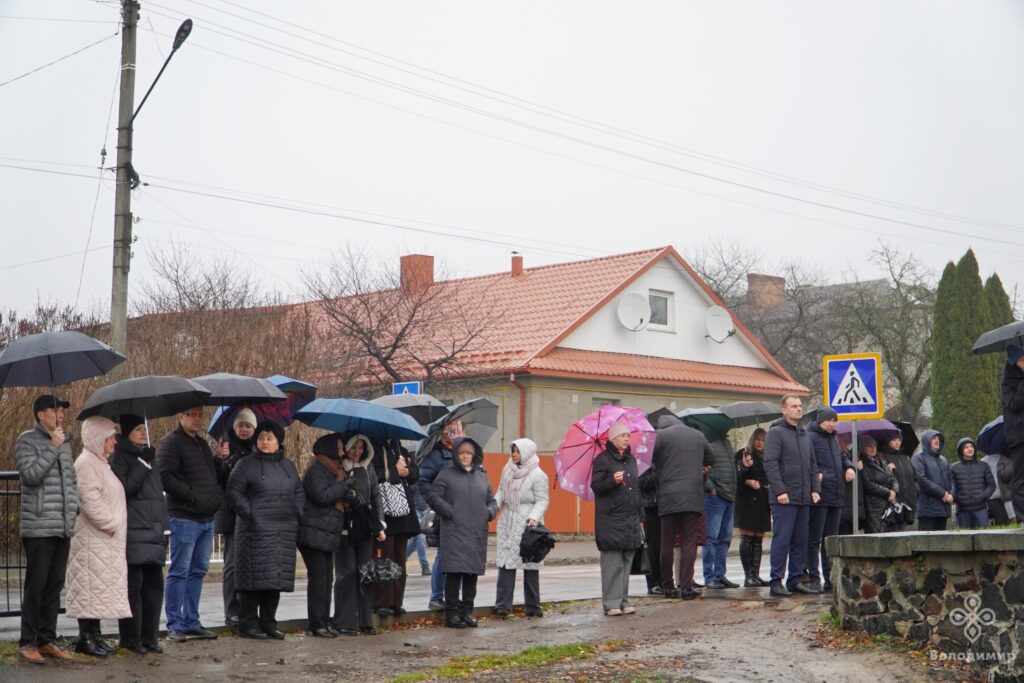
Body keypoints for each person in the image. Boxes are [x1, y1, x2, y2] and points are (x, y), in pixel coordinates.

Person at [14, 394, 79, 664]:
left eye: (62, 410)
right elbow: (30, 475)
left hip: (62, 525)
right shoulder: (26, 440)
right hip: (39, 525)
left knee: (54, 586)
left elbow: (71, 481)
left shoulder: (64, 442)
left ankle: (47, 639)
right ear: (41, 414)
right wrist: (52, 447)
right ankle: (27, 642)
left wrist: (75, 508)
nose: (60, 414)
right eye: (55, 410)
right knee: (36, 587)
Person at [226, 420, 304, 639]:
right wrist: (249, 513)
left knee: (274, 581)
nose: (264, 442)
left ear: (278, 441)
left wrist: (297, 511)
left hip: (282, 531)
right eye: (261, 438)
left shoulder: (288, 466)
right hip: (254, 530)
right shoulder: (245, 464)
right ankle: (248, 624)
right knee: (253, 580)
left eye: (269, 438)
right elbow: (233, 493)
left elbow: (298, 491)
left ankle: (269, 622)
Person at [66, 416, 132, 657]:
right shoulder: (86, 464)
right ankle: (86, 637)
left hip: (102, 539)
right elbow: (89, 500)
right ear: (98, 439)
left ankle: (95, 635)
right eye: (110, 437)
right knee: (89, 586)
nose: (115, 441)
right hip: (94, 537)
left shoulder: (99, 462)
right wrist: (112, 523)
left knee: (95, 588)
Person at [157, 406, 222, 642]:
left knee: (197, 571)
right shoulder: (171, 443)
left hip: (205, 518)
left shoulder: (202, 444)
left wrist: (221, 461)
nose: (196, 419)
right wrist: (192, 495)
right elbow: (165, 476)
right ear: (180, 416)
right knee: (180, 571)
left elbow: (212, 476)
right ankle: (175, 623)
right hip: (184, 516)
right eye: (191, 414)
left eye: (199, 414)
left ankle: (192, 620)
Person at [109, 414, 168, 655]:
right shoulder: (119, 457)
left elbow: (158, 496)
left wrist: (164, 527)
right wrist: (143, 464)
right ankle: (131, 638)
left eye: (144, 428)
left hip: (153, 531)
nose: (143, 432)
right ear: (126, 433)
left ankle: (150, 637)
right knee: (134, 587)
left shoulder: (150, 456)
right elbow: (126, 489)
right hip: (134, 530)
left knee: (154, 587)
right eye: (137, 429)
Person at [429, 436, 497, 628]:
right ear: (456, 454)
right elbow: (433, 496)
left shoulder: (482, 476)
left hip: (476, 533)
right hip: (454, 532)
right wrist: (450, 512)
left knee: (471, 574)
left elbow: (492, 501)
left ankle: (467, 611)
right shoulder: (446, 474)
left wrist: (489, 513)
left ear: (474, 455)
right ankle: (451, 614)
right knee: (454, 573)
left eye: (468, 453)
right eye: (461, 453)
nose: (465, 456)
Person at [763, 395, 820, 597]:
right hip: (785, 497)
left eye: (800, 405)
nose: (798, 409)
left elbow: (812, 464)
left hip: (804, 496)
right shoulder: (776, 433)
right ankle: (776, 581)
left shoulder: (804, 434)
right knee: (782, 539)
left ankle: (795, 579)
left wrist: (815, 489)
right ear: (784, 410)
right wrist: (780, 491)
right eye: (794, 406)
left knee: (800, 540)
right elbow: (770, 463)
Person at [652, 415, 714, 600]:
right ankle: (686, 587)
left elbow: (650, 460)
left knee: (667, 543)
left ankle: (668, 586)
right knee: (689, 542)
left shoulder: (660, 436)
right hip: (692, 496)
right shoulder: (697, 435)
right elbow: (711, 458)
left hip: (668, 497)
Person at [298, 433, 352, 638]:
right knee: (319, 579)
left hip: (328, 533)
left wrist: (348, 491)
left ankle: (324, 618)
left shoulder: (335, 471)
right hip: (313, 533)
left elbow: (337, 494)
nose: (342, 452)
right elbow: (322, 496)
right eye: (338, 448)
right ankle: (316, 622)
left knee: (327, 578)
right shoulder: (316, 470)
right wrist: (343, 487)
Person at [333, 433, 385, 636]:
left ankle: (365, 619)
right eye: (354, 448)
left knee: (365, 573)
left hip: (365, 527)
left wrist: (380, 524)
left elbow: (376, 495)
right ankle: (344, 621)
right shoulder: (338, 467)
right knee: (346, 574)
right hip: (344, 527)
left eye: (361, 448)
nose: (357, 452)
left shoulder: (368, 467)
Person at [590, 422, 644, 615]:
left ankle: (623, 600)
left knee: (626, 562)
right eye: (622, 436)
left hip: (630, 518)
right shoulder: (602, 460)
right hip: (611, 518)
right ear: (612, 439)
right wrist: (612, 480)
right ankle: (611, 603)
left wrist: (641, 515)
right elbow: (596, 486)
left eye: (628, 435)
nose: (626, 439)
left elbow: (636, 491)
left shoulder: (631, 460)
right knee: (612, 563)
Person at [493, 438, 550, 617]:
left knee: (530, 564)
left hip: (528, 525)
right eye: (513, 451)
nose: (514, 455)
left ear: (526, 452)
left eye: (517, 451)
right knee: (506, 563)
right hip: (508, 521)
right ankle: (502, 606)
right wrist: (493, 507)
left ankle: (533, 607)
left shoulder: (538, 474)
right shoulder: (507, 469)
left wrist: (533, 517)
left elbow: (543, 500)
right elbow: (501, 491)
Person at [213, 408, 256, 627]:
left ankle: (248, 610)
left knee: (251, 564)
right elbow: (218, 479)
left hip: (254, 514)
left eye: (248, 426)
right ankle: (231, 610)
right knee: (231, 564)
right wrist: (222, 460)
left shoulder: (257, 449)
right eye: (241, 425)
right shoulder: (225, 448)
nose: (245, 430)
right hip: (232, 515)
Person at [806, 410, 855, 592]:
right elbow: (809, 461)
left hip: (836, 494)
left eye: (834, 420)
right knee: (815, 539)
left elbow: (841, 456)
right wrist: (818, 475)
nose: (831, 424)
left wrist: (849, 467)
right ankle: (814, 578)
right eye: (828, 420)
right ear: (820, 421)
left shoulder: (834, 438)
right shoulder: (810, 437)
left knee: (831, 540)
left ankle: (830, 578)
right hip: (820, 494)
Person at [372, 438, 420, 617]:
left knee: (400, 559)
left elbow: (415, 474)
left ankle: (397, 601)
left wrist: (406, 470)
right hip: (385, 513)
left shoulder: (400, 449)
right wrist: (393, 471)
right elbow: (372, 475)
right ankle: (382, 601)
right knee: (384, 557)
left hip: (402, 513)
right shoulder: (374, 449)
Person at [417, 425, 457, 611]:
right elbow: (423, 482)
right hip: (443, 514)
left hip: (463, 514)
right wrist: (436, 502)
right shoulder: (435, 456)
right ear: (442, 434)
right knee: (443, 555)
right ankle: (436, 597)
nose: (455, 433)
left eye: (458, 429)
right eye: (451, 430)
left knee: (459, 557)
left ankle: (453, 599)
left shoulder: (465, 453)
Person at [735, 428, 772, 588]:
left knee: (758, 538)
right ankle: (748, 575)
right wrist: (745, 475)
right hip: (748, 501)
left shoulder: (769, 457)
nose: (760, 442)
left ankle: (755, 575)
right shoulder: (743, 453)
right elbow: (736, 476)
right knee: (747, 537)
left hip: (763, 500)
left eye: (763, 440)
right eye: (757, 439)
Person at [702, 432, 738, 589]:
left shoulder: (727, 443)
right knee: (711, 537)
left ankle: (720, 574)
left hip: (730, 495)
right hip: (715, 496)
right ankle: (709, 577)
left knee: (725, 538)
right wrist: (710, 487)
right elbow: (701, 467)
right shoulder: (708, 441)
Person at [1000, 345, 1024, 520]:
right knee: (1020, 480)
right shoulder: (1008, 383)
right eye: (1022, 361)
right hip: (1019, 435)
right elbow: (1015, 404)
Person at [951, 438, 996, 530]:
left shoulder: (983, 466)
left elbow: (991, 485)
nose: (970, 449)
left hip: (981, 509)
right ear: (961, 450)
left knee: (984, 538)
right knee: (965, 540)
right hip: (963, 511)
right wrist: (957, 498)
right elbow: (951, 487)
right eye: (966, 447)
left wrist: (983, 496)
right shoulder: (954, 468)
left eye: (971, 446)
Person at [912, 430, 953, 531]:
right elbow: (922, 480)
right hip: (927, 510)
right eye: (933, 438)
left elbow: (951, 479)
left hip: (943, 510)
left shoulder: (944, 460)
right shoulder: (918, 459)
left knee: (942, 544)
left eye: (938, 438)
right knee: (926, 544)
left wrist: (952, 495)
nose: (937, 440)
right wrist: (942, 494)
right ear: (927, 441)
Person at [859, 436, 899, 534]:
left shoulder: (882, 460)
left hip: (888, 504)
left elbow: (893, 478)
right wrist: (888, 492)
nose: (873, 448)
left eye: (874, 445)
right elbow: (868, 484)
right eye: (869, 446)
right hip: (874, 506)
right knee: (877, 534)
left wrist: (894, 491)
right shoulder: (862, 463)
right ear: (863, 448)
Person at [880, 434, 917, 532]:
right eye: (894, 440)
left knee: (902, 532)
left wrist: (916, 491)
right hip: (893, 503)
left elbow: (914, 477)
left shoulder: (906, 457)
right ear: (888, 442)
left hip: (908, 502)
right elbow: (880, 478)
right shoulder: (882, 456)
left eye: (899, 440)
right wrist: (887, 470)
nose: (897, 443)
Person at [637, 464, 662, 595]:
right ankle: (653, 583)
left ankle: (664, 581)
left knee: (664, 547)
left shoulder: (661, 459)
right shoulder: (643, 462)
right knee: (653, 546)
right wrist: (659, 474)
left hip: (664, 505)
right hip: (650, 507)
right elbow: (641, 482)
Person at [981, 448, 1014, 526]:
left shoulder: (983, 461)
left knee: (1005, 523)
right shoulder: (1008, 458)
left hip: (1000, 495)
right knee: (1007, 521)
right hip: (1000, 495)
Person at [405, 486, 432, 577]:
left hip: (425, 510)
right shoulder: (415, 477)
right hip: (416, 510)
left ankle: (400, 561)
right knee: (421, 538)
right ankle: (425, 567)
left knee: (414, 541)